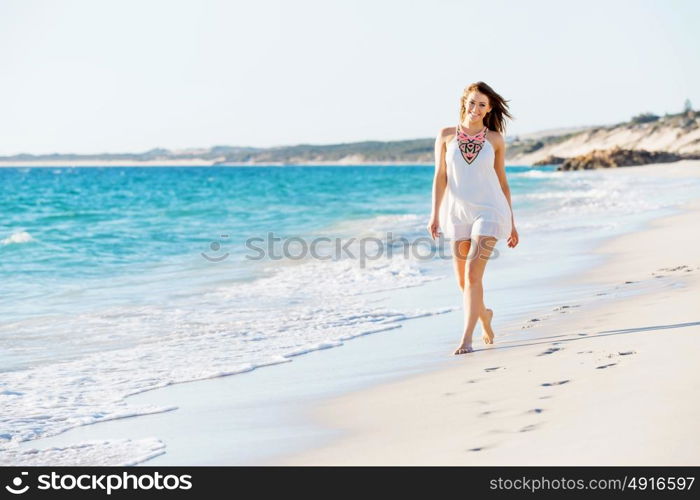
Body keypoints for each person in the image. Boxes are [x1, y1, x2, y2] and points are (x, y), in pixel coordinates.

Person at [427, 81, 519, 355]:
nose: (476, 109)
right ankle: (485, 316)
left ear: (489, 109)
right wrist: (434, 215)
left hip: (489, 210)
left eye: (482, 105)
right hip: (456, 212)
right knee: (463, 283)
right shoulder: (445, 135)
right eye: (472, 103)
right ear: (463, 103)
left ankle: (467, 339)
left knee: (472, 274)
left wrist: (512, 223)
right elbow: (440, 177)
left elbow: (502, 182)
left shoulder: (495, 140)